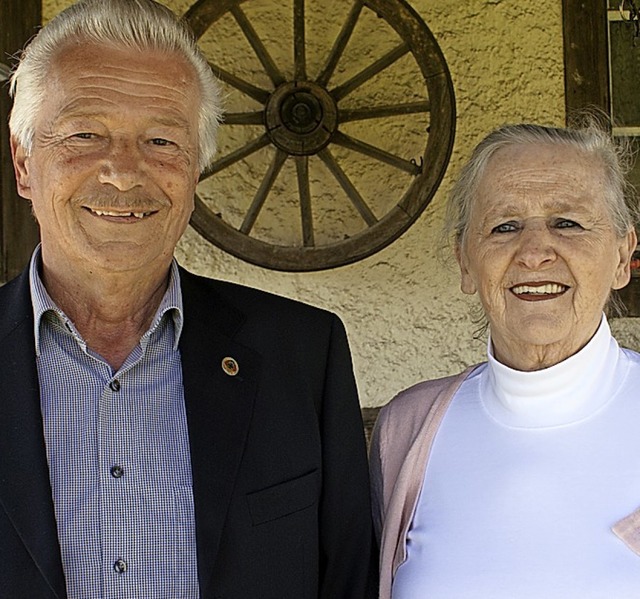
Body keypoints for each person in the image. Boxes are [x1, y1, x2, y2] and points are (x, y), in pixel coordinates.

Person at [1, 0, 376, 597]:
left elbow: (348, 578)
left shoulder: (303, 356)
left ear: (195, 168)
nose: (123, 174)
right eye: (84, 134)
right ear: (24, 164)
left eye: (160, 139)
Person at [370, 121, 640, 598]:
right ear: (466, 263)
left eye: (568, 223)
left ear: (623, 256)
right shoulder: (406, 430)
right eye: (505, 226)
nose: (534, 252)